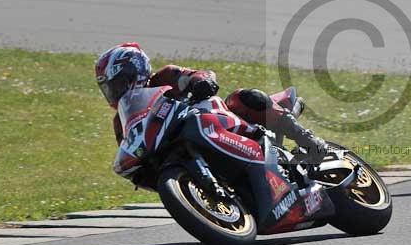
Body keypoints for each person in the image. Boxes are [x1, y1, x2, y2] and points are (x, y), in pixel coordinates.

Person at [94, 42, 327, 186]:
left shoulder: (165, 76)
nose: (114, 92)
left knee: (242, 97)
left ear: (135, 71)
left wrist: (202, 83)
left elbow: (200, 74)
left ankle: (308, 140)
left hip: (214, 121)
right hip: (177, 150)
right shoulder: (120, 122)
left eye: (118, 83)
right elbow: (131, 150)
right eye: (109, 88)